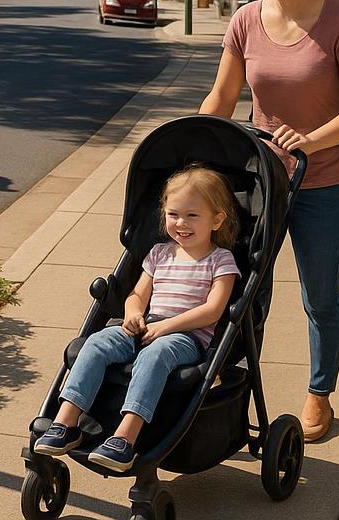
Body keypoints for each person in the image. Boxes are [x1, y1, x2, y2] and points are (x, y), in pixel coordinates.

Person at [200, 0, 339, 442]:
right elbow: (223, 97)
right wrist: (193, 141)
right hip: (261, 187)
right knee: (246, 292)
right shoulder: (246, 20)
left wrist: (309, 140)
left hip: (326, 184)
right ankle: (229, 387)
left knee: (319, 298)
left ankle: (320, 393)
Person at [34, 165, 240, 473]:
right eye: (173, 214)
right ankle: (66, 422)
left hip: (186, 336)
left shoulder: (220, 260)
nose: (181, 223)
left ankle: (125, 438)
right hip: (146, 325)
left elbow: (213, 310)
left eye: (192, 216)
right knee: (96, 342)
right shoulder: (160, 253)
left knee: (155, 354)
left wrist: (166, 326)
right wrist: (132, 315)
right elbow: (137, 296)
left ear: (217, 219)